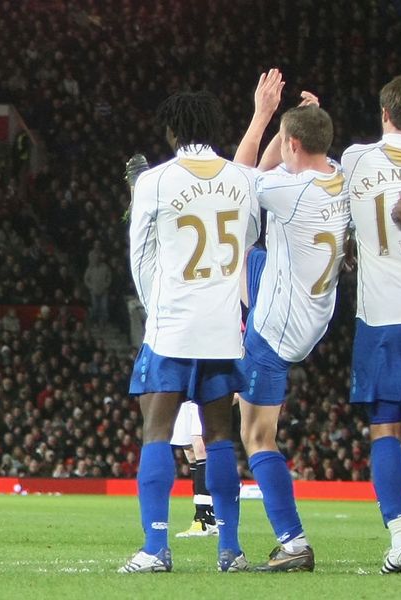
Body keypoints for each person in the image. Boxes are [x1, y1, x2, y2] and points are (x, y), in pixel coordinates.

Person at [118, 70, 280, 574]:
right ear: (214, 125)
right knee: (220, 439)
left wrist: (155, 306)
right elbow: (251, 235)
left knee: (157, 431)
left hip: (172, 327)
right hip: (221, 328)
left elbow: (139, 255)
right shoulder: (241, 180)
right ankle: (229, 550)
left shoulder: (155, 180)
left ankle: (155, 548)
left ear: (171, 131)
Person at [234, 92, 350, 571]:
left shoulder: (292, 191)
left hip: (278, 328)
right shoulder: (337, 174)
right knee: (248, 253)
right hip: (312, 307)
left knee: (256, 435)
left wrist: (262, 116)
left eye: (284, 142)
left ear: (293, 144)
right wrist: (300, 122)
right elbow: (277, 170)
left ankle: (294, 542)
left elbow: (236, 181)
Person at [341, 74, 401, 575]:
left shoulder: (357, 160)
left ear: (383, 114)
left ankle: (400, 542)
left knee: (385, 431)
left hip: (381, 321)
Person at [171, 401, 217, 538]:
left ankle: (204, 517)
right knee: (190, 452)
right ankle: (207, 518)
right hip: (182, 396)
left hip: (198, 394)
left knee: (200, 446)